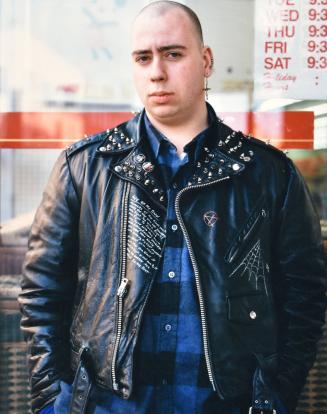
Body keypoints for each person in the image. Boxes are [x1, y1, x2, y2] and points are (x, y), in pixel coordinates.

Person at [19, 1, 326, 414]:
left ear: (206, 60)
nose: (157, 71)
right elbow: (41, 293)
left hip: (225, 404)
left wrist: (274, 396)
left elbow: (304, 297)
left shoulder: (269, 174)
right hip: (108, 406)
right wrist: (53, 400)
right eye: (143, 58)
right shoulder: (84, 167)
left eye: (173, 54)